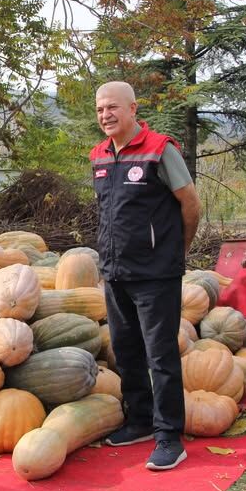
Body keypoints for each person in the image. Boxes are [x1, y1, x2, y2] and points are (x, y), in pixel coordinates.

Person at [90, 81, 202, 471]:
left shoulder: (160, 149)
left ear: (133, 108)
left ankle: (170, 436)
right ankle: (138, 419)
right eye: (101, 108)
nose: (106, 115)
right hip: (115, 271)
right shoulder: (99, 155)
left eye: (113, 108)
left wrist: (176, 251)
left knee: (162, 355)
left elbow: (190, 203)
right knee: (126, 351)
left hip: (156, 274)